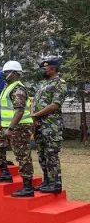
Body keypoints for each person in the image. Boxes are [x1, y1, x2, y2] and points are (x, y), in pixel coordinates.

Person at [0, 61, 35, 197]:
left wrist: (10, 128)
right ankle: (5, 174)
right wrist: (2, 124)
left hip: (19, 127)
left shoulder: (17, 89)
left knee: (22, 155)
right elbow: (7, 110)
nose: (5, 75)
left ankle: (27, 187)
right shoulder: (8, 87)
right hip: (8, 126)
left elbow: (19, 111)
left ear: (15, 73)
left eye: (7, 72)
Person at [31, 58, 68, 194]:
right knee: (42, 155)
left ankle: (55, 184)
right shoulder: (43, 84)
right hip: (40, 125)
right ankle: (46, 181)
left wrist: (36, 115)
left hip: (51, 126)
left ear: (53, 69)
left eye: (45, 69)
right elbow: (35, 102)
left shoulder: (60, 83)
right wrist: (34, 117)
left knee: (51, 155)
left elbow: (55, 104)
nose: (43, 71)